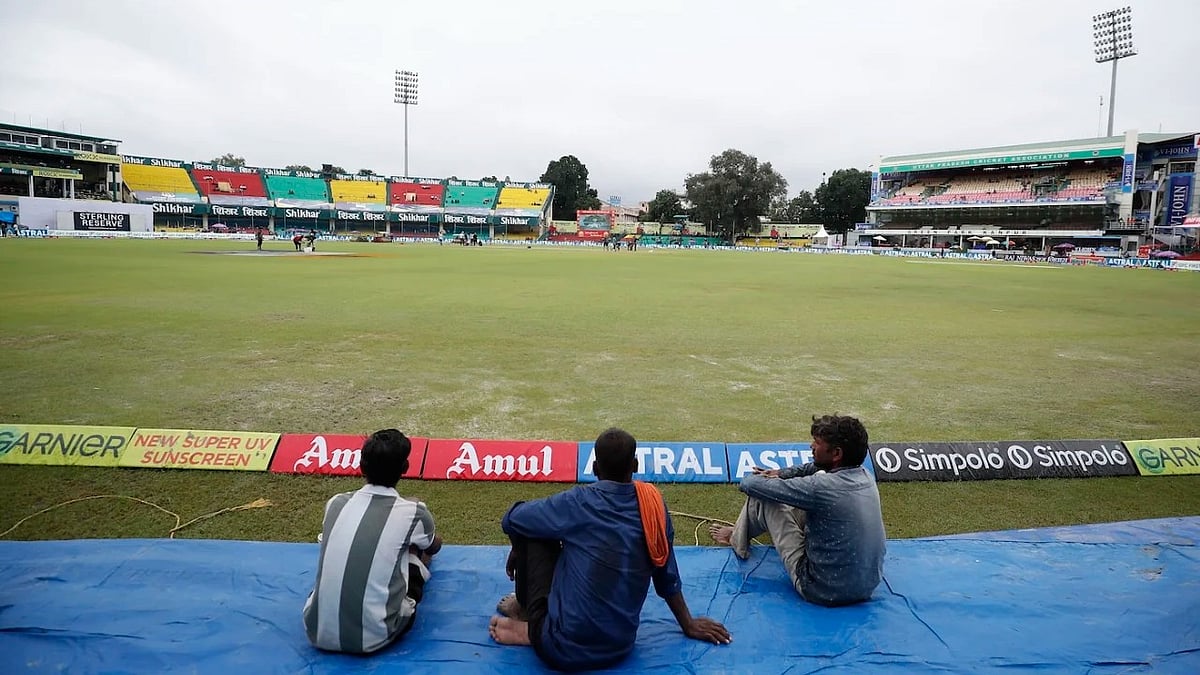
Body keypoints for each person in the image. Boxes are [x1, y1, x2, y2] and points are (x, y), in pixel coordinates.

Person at [489, 427, 730, 671]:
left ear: (595, 468)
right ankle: (538, 623)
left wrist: (517, 547)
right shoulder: (654, 506)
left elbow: (512, 518)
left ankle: (529, 620)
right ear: (635, 465)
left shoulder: (577, 502)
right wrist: (688, 623)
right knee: (549, 529)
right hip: (619, 647)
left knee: (534, 529)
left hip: (558, 647)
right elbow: (666, 574)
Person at [709, 414, 885, 607]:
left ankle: (736, 538)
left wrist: (769, 478)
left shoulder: (821, 487)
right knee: (804, 503)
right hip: (866, 587)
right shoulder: (866, 476)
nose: (811, 446)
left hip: (821, 590)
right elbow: (812, 468)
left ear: (836, 454)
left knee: (764, 498)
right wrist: (782, 473)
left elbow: (749, 484)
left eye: (817, 443)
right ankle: (738, 532)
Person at [303, 429, 443, 654]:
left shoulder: (336, 503)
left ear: (361, 466)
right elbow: (433, 546)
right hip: (375, 635)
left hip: (316, 630)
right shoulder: (414, 512)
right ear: (405, 468)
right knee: (415, 556)